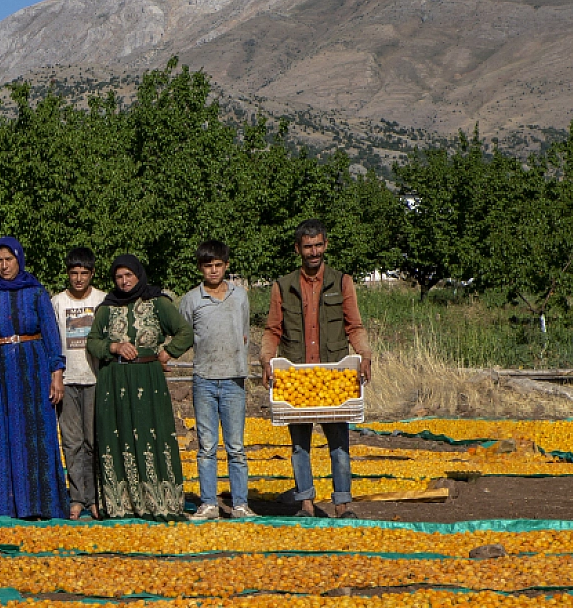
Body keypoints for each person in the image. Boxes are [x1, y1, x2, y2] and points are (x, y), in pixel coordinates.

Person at [261, 219, 374, 519]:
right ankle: (306, 504)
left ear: (326, 245)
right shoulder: (282, 286)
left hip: (333, 374)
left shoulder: (342, 282)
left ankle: (343, 504)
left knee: (339, 443)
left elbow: (354, 325)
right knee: (300, 445)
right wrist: (266, 359)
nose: (313, 252)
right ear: (297, 248)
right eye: (307, 246)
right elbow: (273, 329)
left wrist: (364, 353)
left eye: (318, 245)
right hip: (297, 376)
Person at [0, 237, 69, 520]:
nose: (4, 265)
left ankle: (40, 504)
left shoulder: (36, 293)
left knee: (34, 433)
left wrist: (56, 374)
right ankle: (1, 505)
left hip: (32, 371)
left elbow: (50, 335)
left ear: (19, 259)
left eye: (8, 259)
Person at [86, 255, 193, 520]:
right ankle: (121, 503)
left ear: (138, 275)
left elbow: (185, 332)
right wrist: (113, 347)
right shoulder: (107, 308)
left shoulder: (157, 303)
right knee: (118, 434)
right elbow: (92, 341)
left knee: (150, 433)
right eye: (119, 277)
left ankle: (158, 501)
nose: (123, 282)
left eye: (128, 276)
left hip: (148, 378)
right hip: (114, 379)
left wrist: (167, 353)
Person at [179, 240, 253, 521]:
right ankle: (208, 503)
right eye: (208, 265)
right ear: (200, 268)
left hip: (234, 378)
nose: (213, 270)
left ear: (226, 266)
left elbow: (244, 333)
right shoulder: (192, 300)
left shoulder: (240, 296)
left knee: (236, 446)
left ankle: (240, 504)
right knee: (206, 446)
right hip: (205, 379)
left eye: (218, 265)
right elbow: (185, 335)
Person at [52, 246, 106, 520]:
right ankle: (76, 497)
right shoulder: (57, 302)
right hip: (68, 380)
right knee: (71, 441)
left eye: (84, 273)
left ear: (92, 273)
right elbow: (52, 343)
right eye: (74, 273)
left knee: (93, 440)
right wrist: (55, 377)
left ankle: (95, 497)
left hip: (95, 379)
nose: (79, 278)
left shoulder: (103, 300)